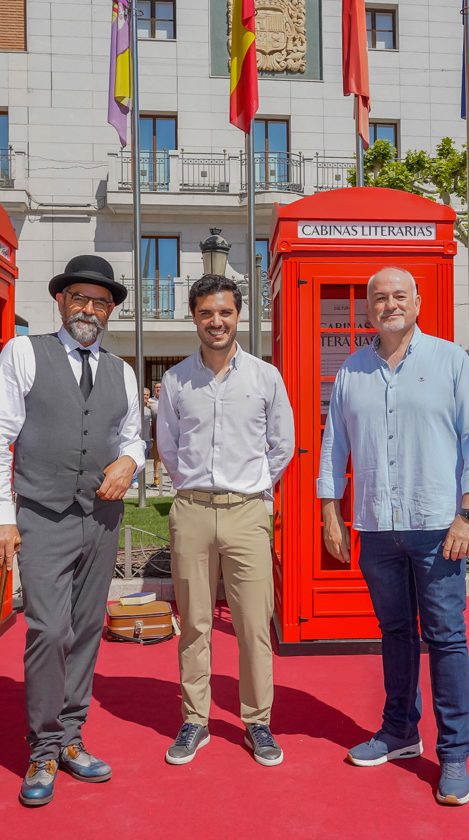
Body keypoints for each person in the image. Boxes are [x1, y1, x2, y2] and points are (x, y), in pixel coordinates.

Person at [317, 267, 469, 806]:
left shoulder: (450, 360)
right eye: (379, 297)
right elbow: (334, 445)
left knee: (445, 637)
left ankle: (454, 754)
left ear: (417, 302)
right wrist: (330, 513)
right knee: (394, 633)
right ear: (368, 307)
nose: (389, 304)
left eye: (399, 295)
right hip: (376, 527)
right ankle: (399, 730)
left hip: (438, 525)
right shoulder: (352, 369)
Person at [0, 255, 144, 807]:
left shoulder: (123, 371)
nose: (89, 310)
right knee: (49, 631)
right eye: (79, 298)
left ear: (111, 310)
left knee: (88, 628)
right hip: (43, 514)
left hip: (102, 517)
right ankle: (44, 747)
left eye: (100, 302)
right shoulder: (24, 353)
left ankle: (72, 737)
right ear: (61, 301)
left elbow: (132, 435)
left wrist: (130, 462)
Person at [157, 273, 295, 767]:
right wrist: (194, 487)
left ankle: (258, 721)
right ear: (193, 317)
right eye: (206, 313)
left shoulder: (265, 377)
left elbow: (282, 445)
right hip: (192, 512)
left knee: (254, 624)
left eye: (225, 312)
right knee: (194, 624)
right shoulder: (176, 380)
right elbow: (168, 447)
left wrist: (253, 487)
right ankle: (195, 719)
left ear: (238, 315)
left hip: (246, 513)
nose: (216, 322)